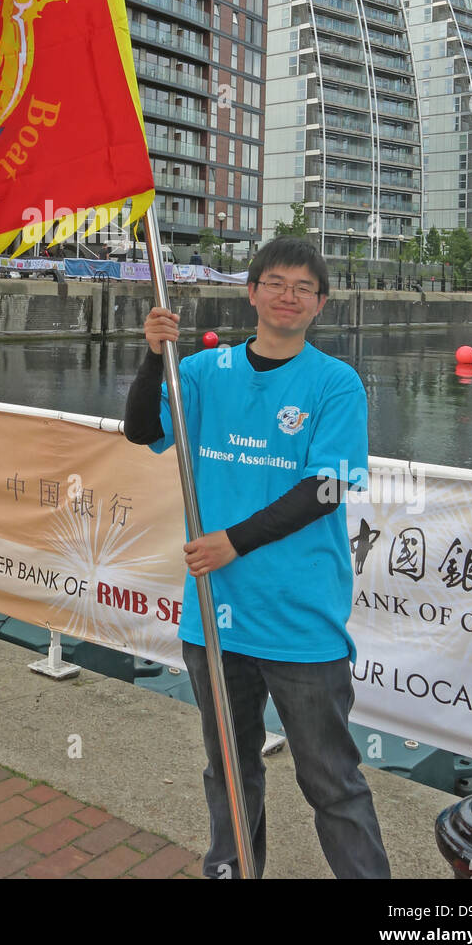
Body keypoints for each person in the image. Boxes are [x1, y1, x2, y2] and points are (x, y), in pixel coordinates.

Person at [123, 236, 390, 880]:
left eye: (303, 288)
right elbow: (141, 429)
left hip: (299, 620)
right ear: (251, 292)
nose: (287, 296)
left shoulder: (336, 383)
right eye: (275, 283)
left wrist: (233, 541)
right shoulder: (202, 372)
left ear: (320, 304)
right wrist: (154, 356)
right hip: (214, 617)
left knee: (331, 780)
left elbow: (327, 488)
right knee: (228, 768)